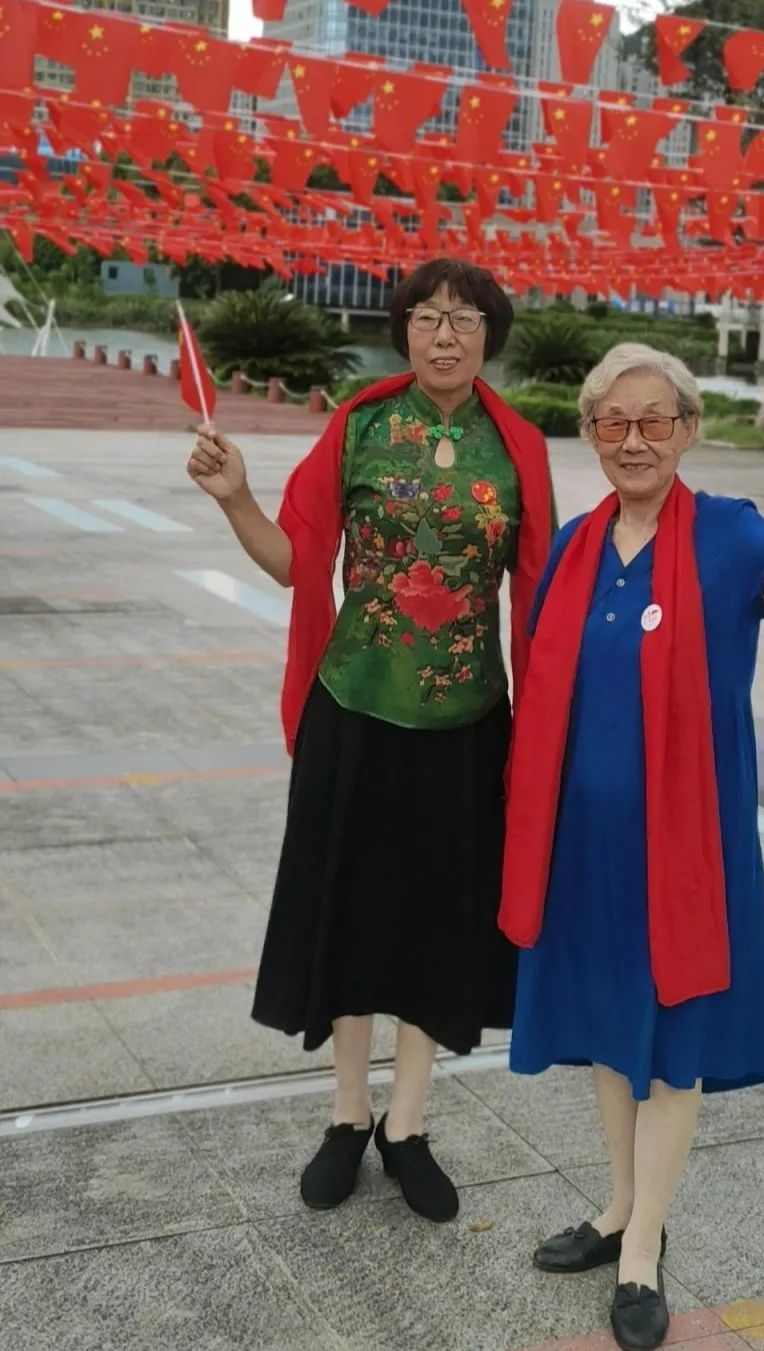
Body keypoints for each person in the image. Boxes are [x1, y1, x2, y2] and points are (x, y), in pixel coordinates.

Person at [186, 259, 553, 1225]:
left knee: (437, 920)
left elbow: (542, 594)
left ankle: (408, 1124)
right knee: (348, 909)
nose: (445, 334)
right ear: (403, 332)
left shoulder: (518, 448)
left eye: (464, 319)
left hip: (466, 722)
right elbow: (297, 562)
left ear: (489, 335)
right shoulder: (358, 426)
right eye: (427, 317)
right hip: (352, 707)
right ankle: (347, 1115)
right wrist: (235, 498)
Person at [499, 344, 764, 1351]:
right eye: (613, 422)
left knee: (671, 1036)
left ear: (688, 431)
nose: (634, 440)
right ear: (591, 435)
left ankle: (644, 1246)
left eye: (655, 420)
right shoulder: (577, 545)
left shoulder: (727, 533)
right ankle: (617, 1208)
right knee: (612, 1028)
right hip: (586, 845)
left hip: (684, 844)